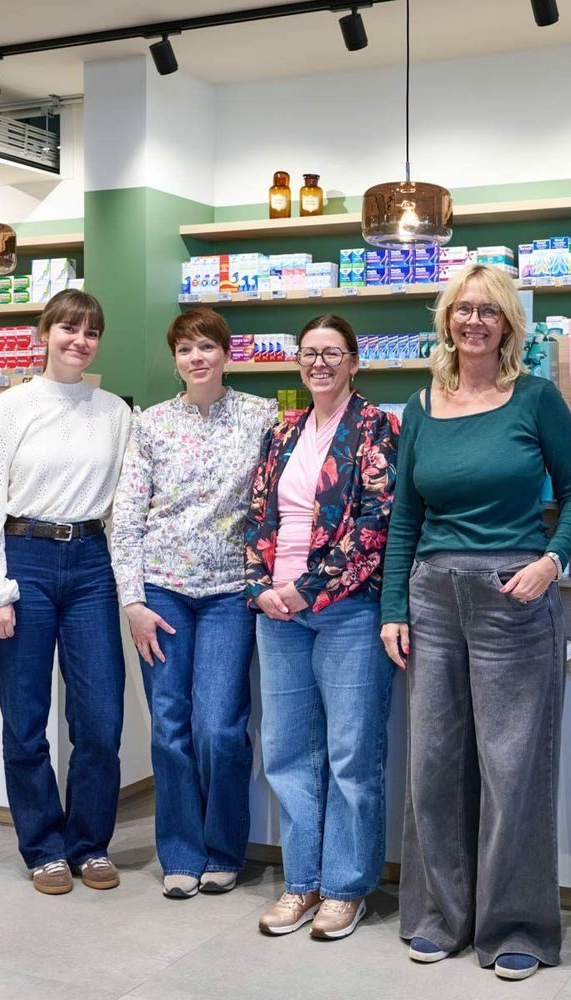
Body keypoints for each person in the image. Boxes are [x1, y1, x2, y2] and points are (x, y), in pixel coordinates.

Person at [379, 262, 571, 981]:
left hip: (514, 596)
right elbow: (406, 516)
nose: (474, 321)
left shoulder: (535, 398)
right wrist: (393, 607)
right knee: (433, 765)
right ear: (447, 320)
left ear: (508, 325)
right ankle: (440, 918)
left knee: (513, 767)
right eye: (463, 308)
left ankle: (515, 927)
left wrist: (551, 561)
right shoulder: (421, 406)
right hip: (433, 598)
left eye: (489, 310)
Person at [0, 289, 133, 897]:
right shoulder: (10, 408)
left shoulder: (114, 412)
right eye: (68, 329)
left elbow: (122, 503)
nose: (79, 341)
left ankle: (90, 844)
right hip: (24, 560)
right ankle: (44, 849)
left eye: (91, 332)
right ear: (43, 335)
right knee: (26, 719)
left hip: (91, 563)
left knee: (101, 718)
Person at [110, 308, 277, 900]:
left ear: (227, 354)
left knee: (219, 727)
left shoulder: (262, 416)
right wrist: (132, 601)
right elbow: (126, 518)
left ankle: (224, 849)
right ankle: (181, 852)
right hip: (162, 593)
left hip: (231, 592)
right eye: (185, 349)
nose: (196, 358)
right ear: (175, 360)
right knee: (170, 726)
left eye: (207, 346)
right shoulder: (151, 424)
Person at [245, 314, 399, 941]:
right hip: (278, 614)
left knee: (351, 756)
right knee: (287, 753)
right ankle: (301, 882)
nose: (320, 363)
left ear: (354, 362)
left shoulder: (377, 427)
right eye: (309, 353)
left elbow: (376, 526)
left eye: (333, 353)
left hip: (348, 611)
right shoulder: (281, 432)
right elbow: (258, 513)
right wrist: (260, 586)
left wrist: (306, 589)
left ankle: (345, 888)